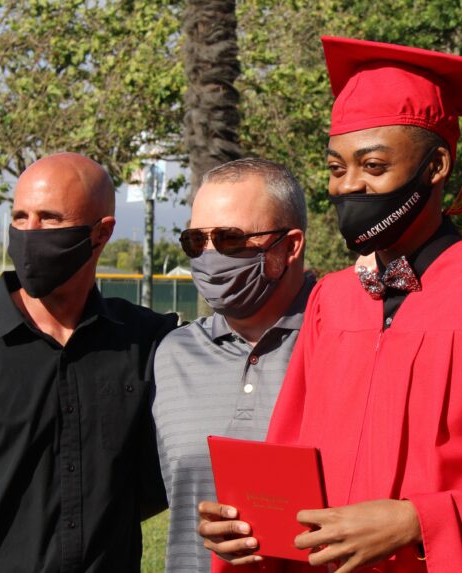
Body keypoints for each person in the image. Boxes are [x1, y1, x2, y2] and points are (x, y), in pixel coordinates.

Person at [198, 37, 462, 573]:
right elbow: (288, 469)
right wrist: (247, 528)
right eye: (336, 168)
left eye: (373, 166)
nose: (350, 186)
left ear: (436, 165)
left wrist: (415, 522)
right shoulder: (332, 298)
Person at [0, 153, 177, 572]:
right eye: (20, 217)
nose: (29, 233)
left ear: (101, 234)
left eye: (49, 218)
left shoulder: (146, 343)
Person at [152, 158, 314, 573]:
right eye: (195, 242)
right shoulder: (173, 355)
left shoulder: (346, 341)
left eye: (228, 239)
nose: (209, 256)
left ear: (290, 246)